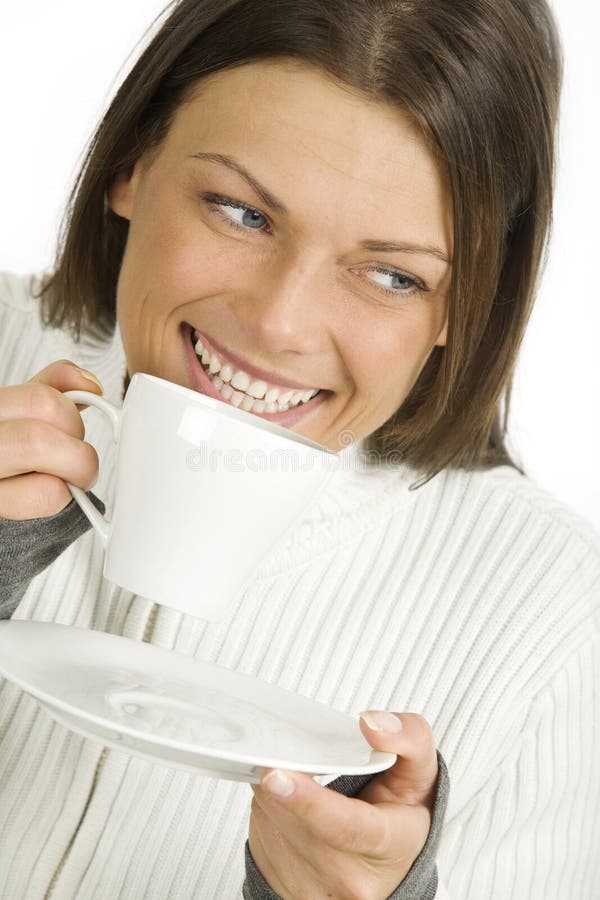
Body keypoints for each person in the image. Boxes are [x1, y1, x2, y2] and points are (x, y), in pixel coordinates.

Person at [0, 0, 598, 897]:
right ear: (133, 162)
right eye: (241, 212)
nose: (279, 325)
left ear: (463, 307)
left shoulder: (554, 616)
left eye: (393, 275)